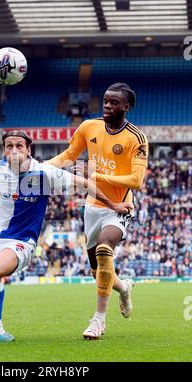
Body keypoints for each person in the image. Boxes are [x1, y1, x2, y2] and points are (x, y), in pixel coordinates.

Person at [0, 130, 131, 342]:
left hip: (21, 241)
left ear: (28, 149)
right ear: (4, 150)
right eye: (9, 146)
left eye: (19, 146)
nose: (14, 150)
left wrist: (113, 204)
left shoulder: (45, 173)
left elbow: (85, 184)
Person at [48, 83, 149, 339]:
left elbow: (136, 181)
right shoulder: (88, 127)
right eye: (105, 101)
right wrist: (39, 166)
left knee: (105, 250)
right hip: (93, 206)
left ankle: (98, 320)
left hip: (120, 207)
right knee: (98, 271)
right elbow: (69, 155)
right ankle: (124, 288)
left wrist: (96, 174)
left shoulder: (136, 138)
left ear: (126, 107)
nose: (107, 106)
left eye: (114, 102)